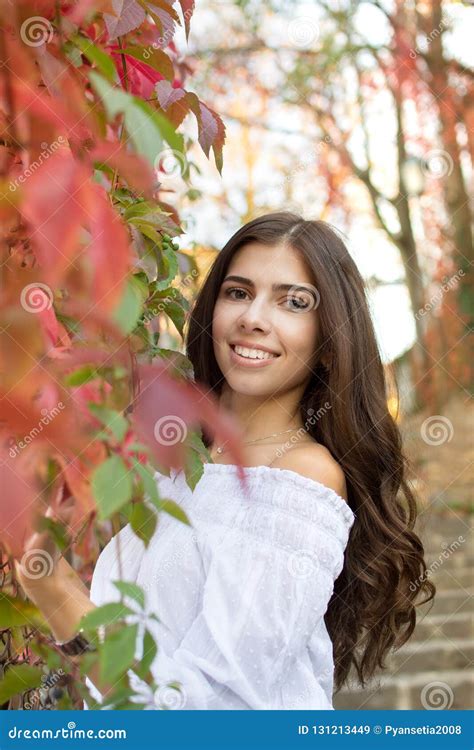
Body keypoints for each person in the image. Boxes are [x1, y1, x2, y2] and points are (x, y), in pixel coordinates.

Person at [15, 212, 435, 710]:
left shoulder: (301, 478)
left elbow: (213, 707)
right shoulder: (175, 463)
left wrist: (59, 592)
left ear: (329, 344)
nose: (253, 317)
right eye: (237, 292)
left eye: (293, 302)